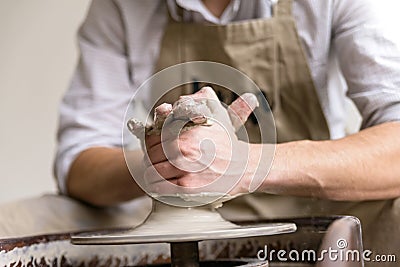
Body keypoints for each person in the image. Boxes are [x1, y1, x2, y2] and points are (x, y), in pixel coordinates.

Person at [55, 0, 400, 262]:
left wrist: (244, 165)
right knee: (17, 223)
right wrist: (165, 162)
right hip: (176, 220)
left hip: (319, 218)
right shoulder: (121, 7)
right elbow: (79, 162)